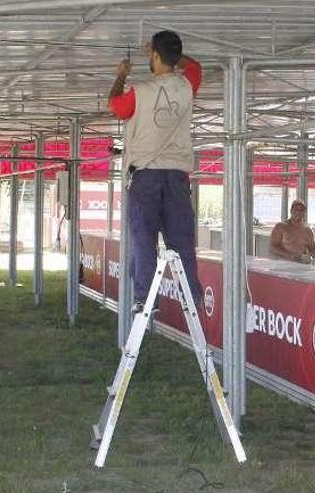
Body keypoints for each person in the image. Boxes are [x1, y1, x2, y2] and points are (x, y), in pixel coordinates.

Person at [109, 30, 203, 309]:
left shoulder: (141, 92)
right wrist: (168, 51)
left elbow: (115, 104)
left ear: (155, 56)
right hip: (177, 175)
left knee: (143, 237)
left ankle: (145, 297)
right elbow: (195, 66)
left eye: (152, 54)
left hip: (146, 175)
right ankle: (192, 295)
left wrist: (122, 74)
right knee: (182, 239)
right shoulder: (187, 85)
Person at [270, 199, 315, 264]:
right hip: (282, 264)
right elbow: (273, 247)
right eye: (296, 210)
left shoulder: (307, 231)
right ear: (291, 211)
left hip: (301, 266)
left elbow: (313, 249)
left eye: (301, 210)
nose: (298, 213)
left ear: (304, 212)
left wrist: (309, 256)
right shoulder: (281, 227)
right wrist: (290, 255)